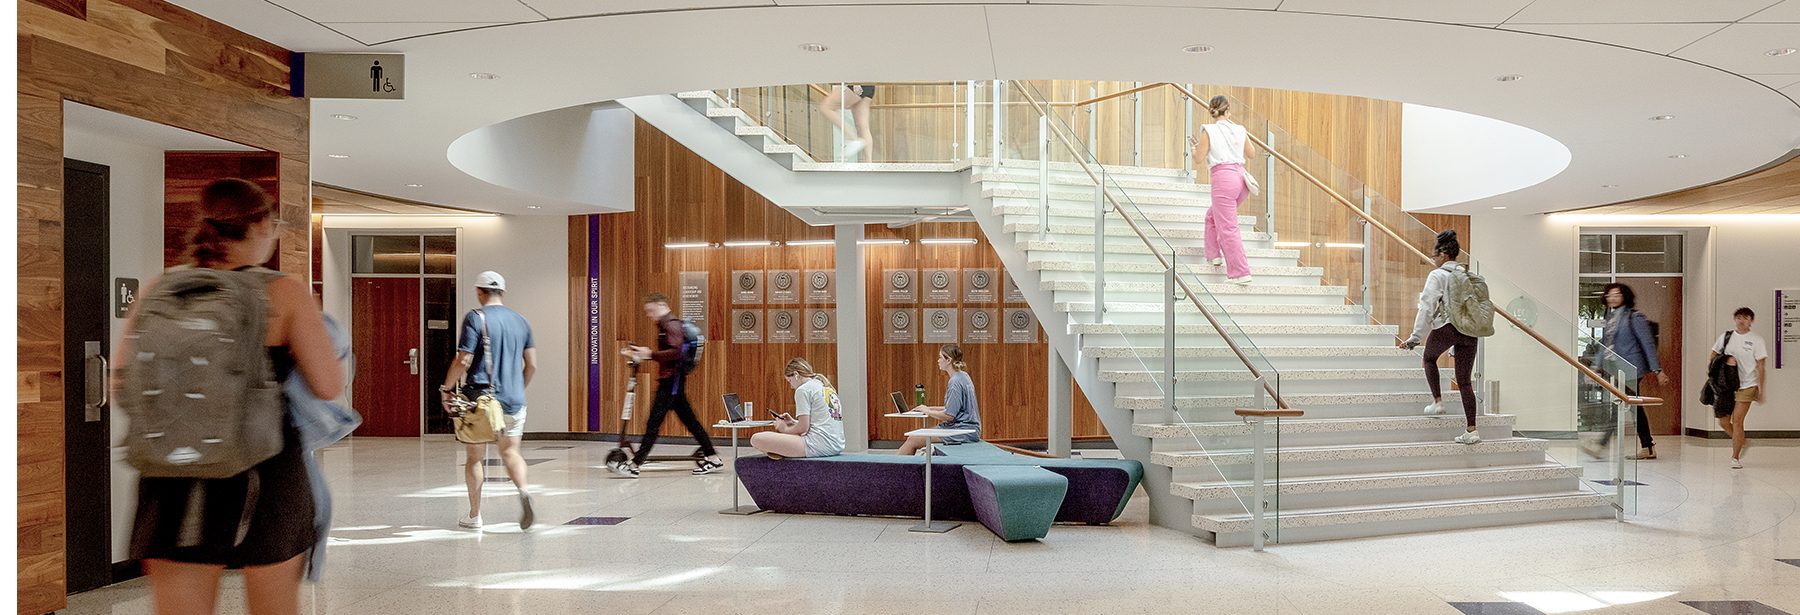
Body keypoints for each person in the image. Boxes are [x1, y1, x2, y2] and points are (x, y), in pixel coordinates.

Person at [119, 178, 343, 615]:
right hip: (264, 472)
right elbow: (329, 385)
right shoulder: (283, 291)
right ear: (260, 224)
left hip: (171, 474)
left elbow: (122, 380)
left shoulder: (159, 288)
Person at [439, 271, 538, 530]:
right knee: (511, 452)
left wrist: (446, 389)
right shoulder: (521, 321)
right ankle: (524, 491)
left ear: (479, 291)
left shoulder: (476, 317)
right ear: (503, 292)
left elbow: (463, 360)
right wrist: (517, 388)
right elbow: (532, 365)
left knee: (475, 458)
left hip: (480, 399)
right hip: (513, 399)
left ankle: (475, 516)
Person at [611, 292, 727, 477]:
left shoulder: (670, 325)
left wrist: (650, 354)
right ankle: (713, 458)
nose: (649, 314)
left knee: (653, 424)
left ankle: (634, 465)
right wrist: (646, 354)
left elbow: (675, 352)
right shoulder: (668, 325)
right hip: (674, 382)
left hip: (670, 382)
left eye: (650, 310)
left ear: (661, 305)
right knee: (691, 422)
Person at [1401, 230, 1481, 445]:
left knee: (1429, 358)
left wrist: (1415, 338)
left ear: (1443, 255)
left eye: (1434, 256)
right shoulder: (1468, 275)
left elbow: (1427, 307)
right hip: (1470, 331)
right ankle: (1471, 430)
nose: (1433, 260)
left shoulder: (1437, 275)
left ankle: (1437, 401)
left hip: (1447, 326)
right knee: (1465, 382)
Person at [1585, 283, 1669, 460]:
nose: (1612, 298)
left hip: (1631, 369)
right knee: (1634, 408)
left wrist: (1657, 370)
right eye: (1609, 295)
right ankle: (1648, 447)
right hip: (1615, 369)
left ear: (1625, 297)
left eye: (1617, 295)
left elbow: (1647, 344)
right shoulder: (1610, 319)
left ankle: (1600, 445)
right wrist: (1594, 367)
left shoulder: (1634, 317)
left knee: (1619, 405)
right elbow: (1604, 346)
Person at [1190, 95, 1258, 285]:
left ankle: (1240, 272)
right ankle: (1214, 255)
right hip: (1241, 179)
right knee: (1212, 216)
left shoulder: (1209, 130)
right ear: (1228, 111)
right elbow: (1251, 154)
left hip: (1224, 179)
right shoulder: (1240, 129)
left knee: (1228, 227)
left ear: (1211, 112)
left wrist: (1194, 149)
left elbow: (1199, 159)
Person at [750, 358, 846, 459]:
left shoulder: (803, 389)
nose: (791, 386)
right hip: (836, 445)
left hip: (818, 445)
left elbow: (803, 428)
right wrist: (794, 422)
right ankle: (785, 451)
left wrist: (784, 429)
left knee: (756, 439)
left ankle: (784, 452)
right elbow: (820, 422)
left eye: (790, 381)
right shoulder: (826, 388)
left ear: (796, 374)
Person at [897, 344, 983, 455]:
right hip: (969, 429)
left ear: (949, 360)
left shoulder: (955, 382)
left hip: (964, 431)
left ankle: (891, 466)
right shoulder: (963, 376)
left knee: (912, 439)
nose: (938, 361)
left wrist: (928, 411)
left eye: (940, 357)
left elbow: (949, 415)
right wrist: (928, 408)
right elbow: (954, 408)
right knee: (919, 434)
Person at [1711, 307, 1768, 469]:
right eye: (1738, 318)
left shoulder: (1757, 340)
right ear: (1734, 320)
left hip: (1748, 385)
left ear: (1751, 321)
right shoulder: (1726, 337)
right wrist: (1726, 361)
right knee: (1723, 422)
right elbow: (1713, 356)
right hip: (1727, 386)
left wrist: (1761, 390)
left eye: (1745, 318)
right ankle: (1743, 442)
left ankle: (1735, 457)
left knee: (1737, 420)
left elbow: (1761, 366)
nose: (1741, 321)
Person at [819, 83, 874, 162]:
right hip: (868, 85)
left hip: (855, 83)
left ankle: (852, 139)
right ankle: (868, 162)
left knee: (826, 108)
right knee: (862, 126)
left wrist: (856, 83)